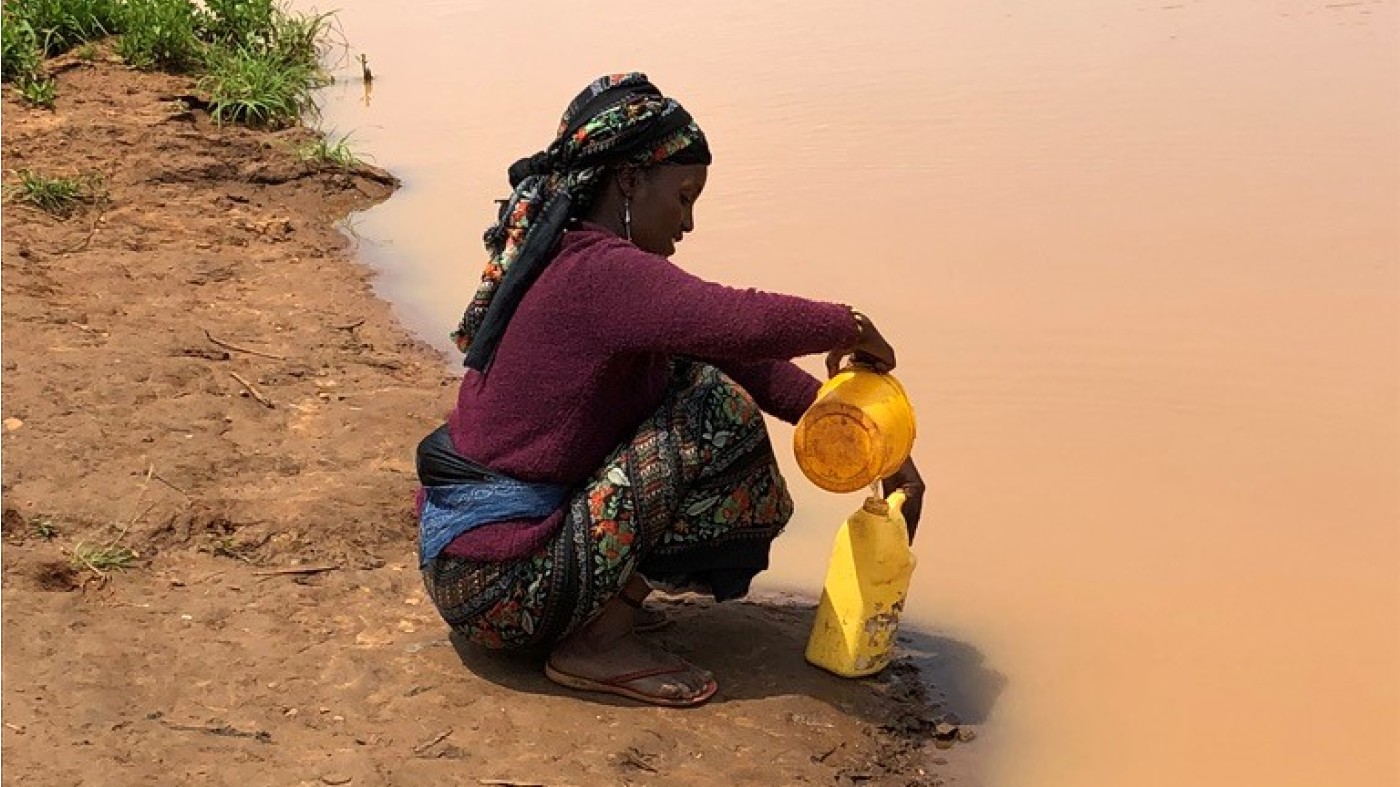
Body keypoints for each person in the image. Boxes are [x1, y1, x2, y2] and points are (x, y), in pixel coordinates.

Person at [417, 72, 924, 707]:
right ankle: (596, 641)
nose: (686, 223)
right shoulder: (600, 272)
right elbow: (743, 321)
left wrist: (877, 446)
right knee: (714, 409)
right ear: (629, 181)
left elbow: (745, 355)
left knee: (695, 375)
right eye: (682, 197)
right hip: (500, 589)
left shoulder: (577, 261)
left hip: (475, 575)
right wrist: (851, 324)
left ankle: (595, 608)